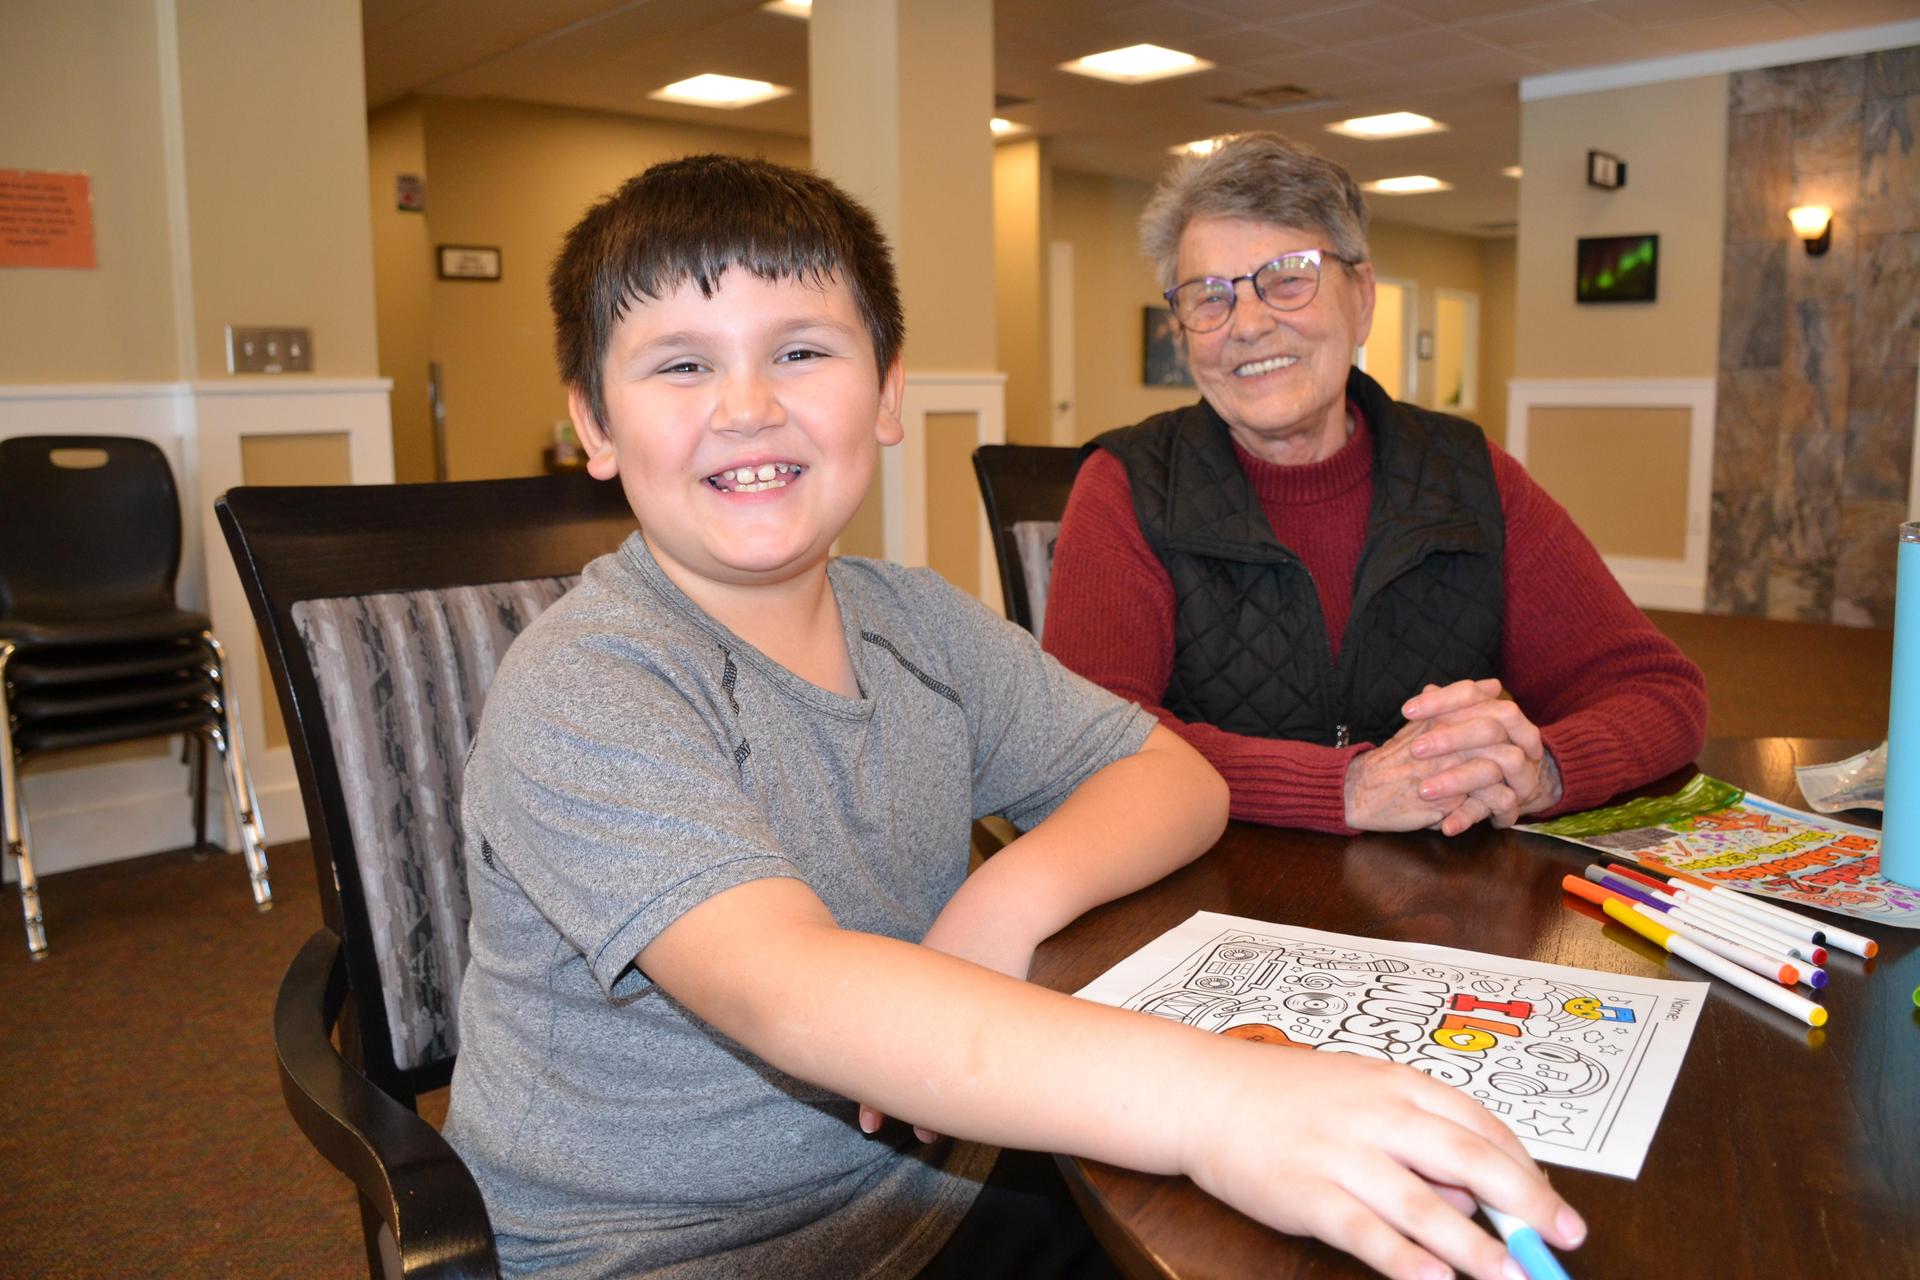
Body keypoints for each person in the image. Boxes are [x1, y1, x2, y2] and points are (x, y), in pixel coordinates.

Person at [442, 153, 1584, 1280]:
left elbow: (1174, 773)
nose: (748, 406)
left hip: (950, 1177)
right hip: (679, 1250)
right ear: (594, 422)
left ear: (886, 392)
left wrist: (1001, 901)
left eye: (800, 351)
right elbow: (792, 990)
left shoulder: (916, 622)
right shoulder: (590, 680)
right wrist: (1221, 1101)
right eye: (682, 365)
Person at [1045, 132, 1707, 838]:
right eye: (1209, 298)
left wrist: (1542, 768)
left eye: (1288, 278)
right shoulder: (1127, 484)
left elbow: (1658, 691)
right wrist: (1343, 788)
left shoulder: (1467, 475)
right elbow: (1089, 736)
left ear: (1362, 298)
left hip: (1430, 902)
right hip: (1205, 891)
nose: (1249, 324)